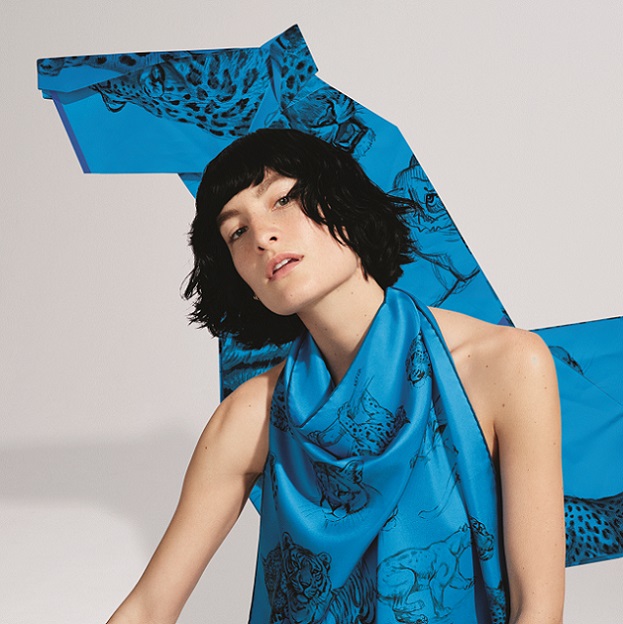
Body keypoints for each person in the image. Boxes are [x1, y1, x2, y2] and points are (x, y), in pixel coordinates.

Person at [106, 129, 565, 624]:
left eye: (283, 199)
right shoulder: (249, 418)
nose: (262, 236)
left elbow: (538, 610)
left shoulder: (506, 365)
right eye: (236, 231)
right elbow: (149, 608)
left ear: (342, 203)